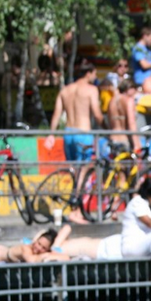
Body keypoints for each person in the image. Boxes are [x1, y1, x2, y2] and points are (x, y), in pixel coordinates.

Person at [45, 59, 105, 224]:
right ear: (88, 73)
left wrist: (51, 134)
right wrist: (107, 128)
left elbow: (56, 114)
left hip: (68, 133)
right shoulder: (91, 90)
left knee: (74, 171)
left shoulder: (65, 90)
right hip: (83, 133)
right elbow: (97, 114)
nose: (95, 77)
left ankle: (75, 207)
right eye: (94, 74)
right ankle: (75, 209)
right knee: (82, 172)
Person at [107, 78, 142, 156]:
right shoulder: (128, 100)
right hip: (124, 140)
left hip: (112, 139)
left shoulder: (112, 100)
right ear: (130, 89)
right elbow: (131, 123)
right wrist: (137, 145)